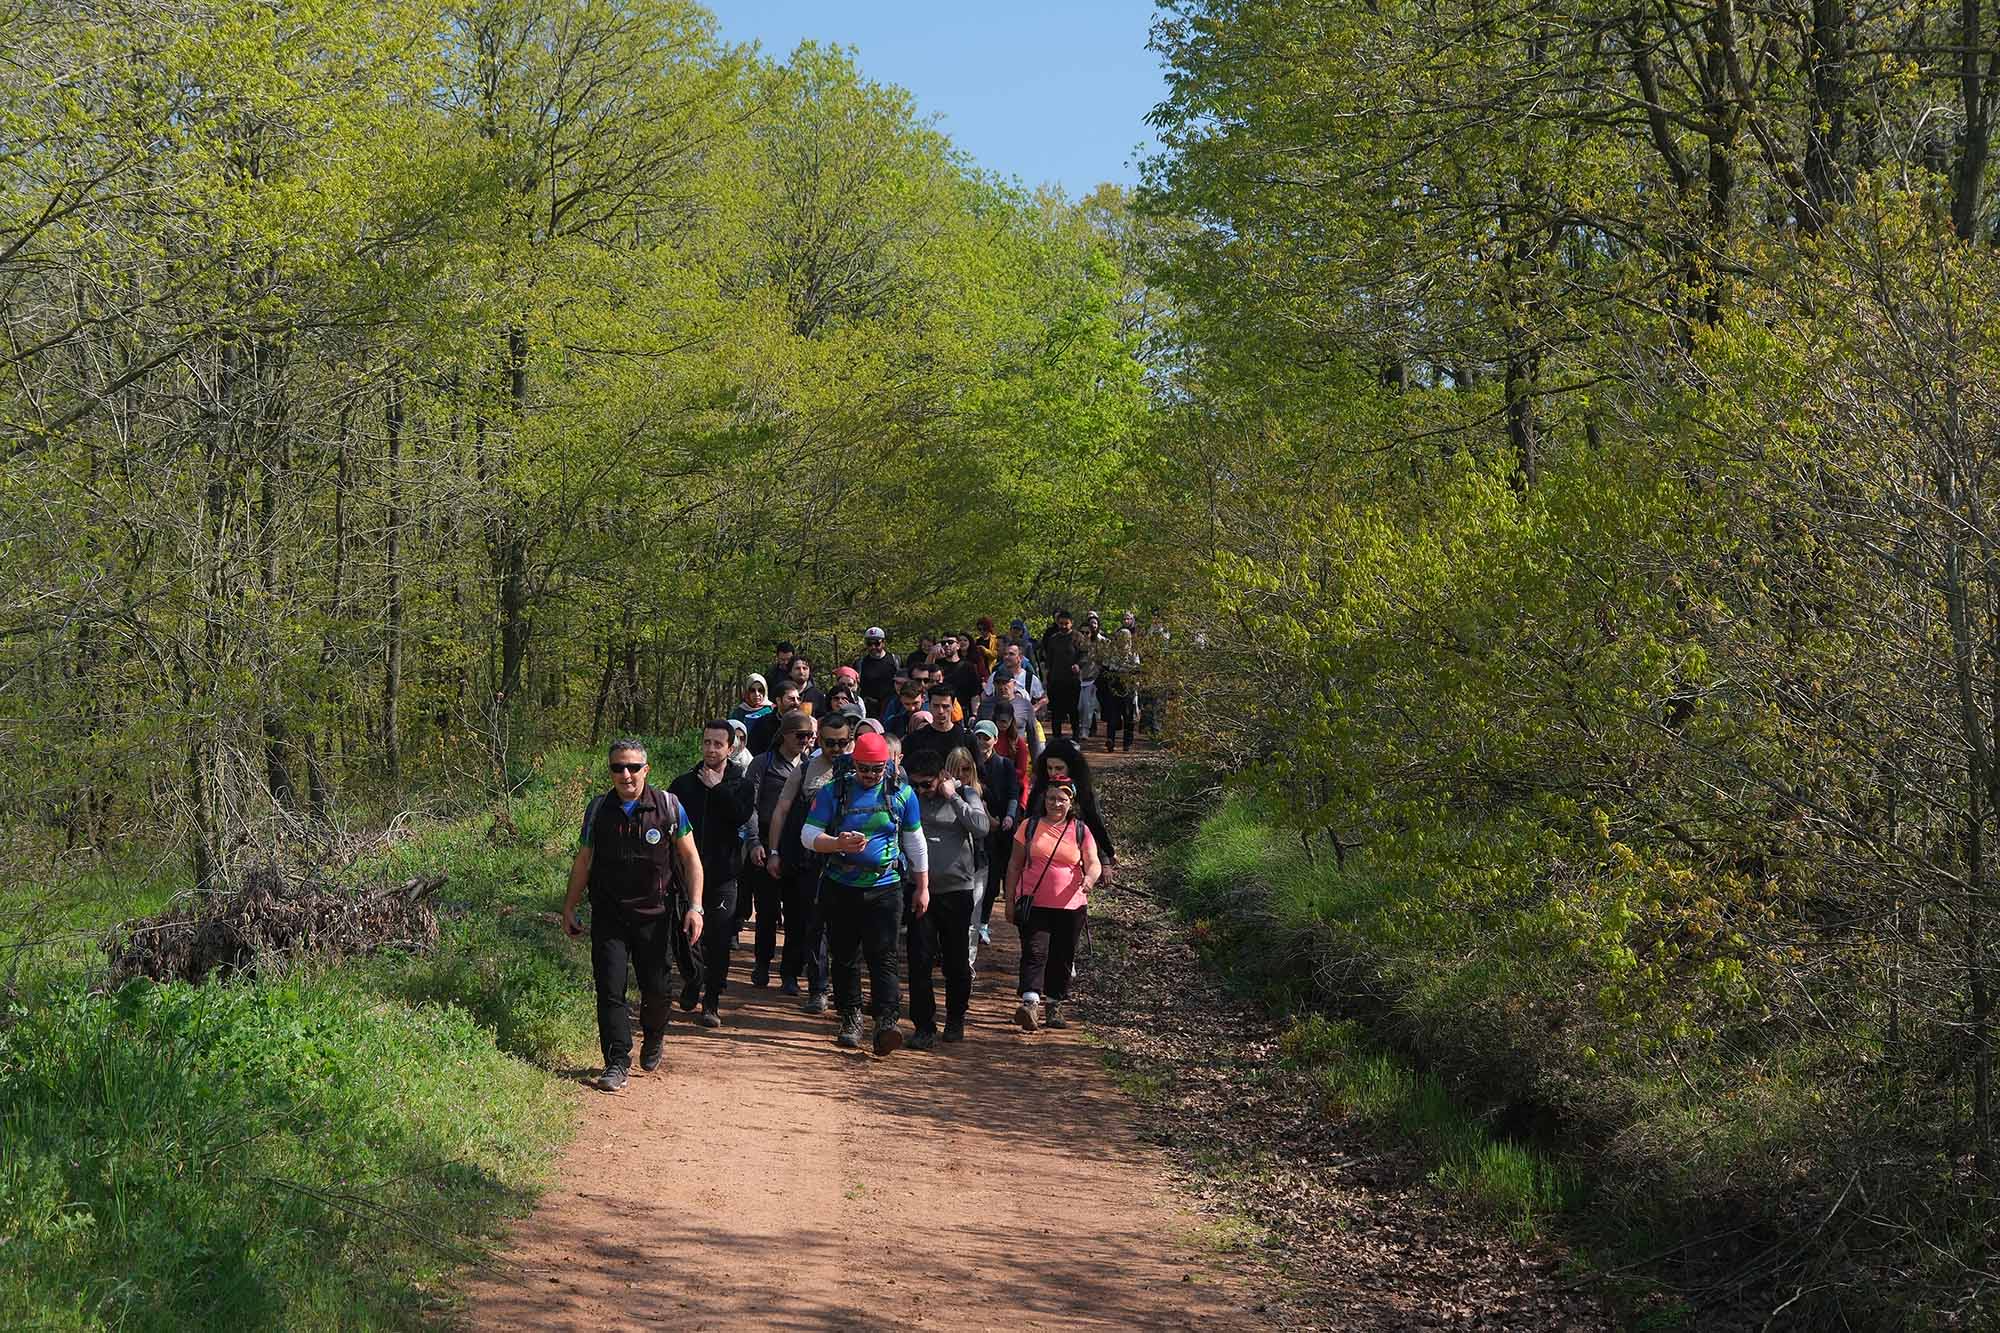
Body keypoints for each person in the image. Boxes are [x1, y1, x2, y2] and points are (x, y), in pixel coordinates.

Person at [560, 739, 705, 1092]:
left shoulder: (669, 807)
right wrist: (569, 906)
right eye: (617, 768)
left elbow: (690, 860)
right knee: (610, 989)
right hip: (610, 915)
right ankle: (616, 1061)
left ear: (646, 770)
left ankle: (654, 1035)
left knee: (657, 991)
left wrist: (695, 907)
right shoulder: (598, 810)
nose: (625, 774)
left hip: (655, 917)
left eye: (633, 767)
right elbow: (583, 862)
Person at [802, 730, 928, 1056]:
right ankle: (851, 1017)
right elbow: (808, 834)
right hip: (841, 886)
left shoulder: (902, 794)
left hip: (885, 887)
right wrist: (837, 843)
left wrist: (923, 886)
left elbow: (915, 841)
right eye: (863, 769)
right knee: (844, 955)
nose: (870, 776)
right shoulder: (835, 791)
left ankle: (886, 1022)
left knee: (883, 954)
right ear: (853, 764)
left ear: (887, 766)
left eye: (876, 769)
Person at [667, 722, 757, 1028]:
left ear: (730, 749)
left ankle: (712, 1001)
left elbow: (741, 815)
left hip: (723, 876)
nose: (711, 749)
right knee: (686, 937)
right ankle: (693, 979)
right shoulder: (682, 785)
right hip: (686, 875)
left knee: (718, 940)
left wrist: (716, 789)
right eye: (707, 742)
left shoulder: (741, 784)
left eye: (718, 744)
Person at [905, 747, 990, 1046]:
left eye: (926, 784)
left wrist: (952, 795)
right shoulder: (910, 797)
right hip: (920, 891)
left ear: (942, 776)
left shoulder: (965, 795)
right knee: (919, 960)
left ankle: (955, 1018)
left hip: (957, 891)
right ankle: (923, 1026)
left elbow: (981, 828)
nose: (920, 790)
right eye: (914, 784)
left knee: (956, 961)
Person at [768, 712, 852, 1010]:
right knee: (804, 921)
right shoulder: (804, 770)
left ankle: (841, 990)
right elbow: (781, 810)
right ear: (820, 741)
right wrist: (774, 852)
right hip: (807, 857)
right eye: (830, 743)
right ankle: (807, 982)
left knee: (842, 928)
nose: (837, 749)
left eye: (843, 743)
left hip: (848, 860)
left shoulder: (862, 770)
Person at [1006, 777, 1100, 1032]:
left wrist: (1090, 880)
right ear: (1043, 800)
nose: (1055, 803)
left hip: (1071, 906)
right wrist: (1009, 899)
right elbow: (1014, 864)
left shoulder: (1081, 830)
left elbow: (1093, 863)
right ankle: (1030, 1003)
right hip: (1034, 902)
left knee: (1062, 956)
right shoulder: (1029, 825)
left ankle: (1054, 1004)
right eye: (1051, 798)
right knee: (1035, 951)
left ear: (1071, 802)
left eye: (1062, 799)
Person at [745, 709, 813, 988]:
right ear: (784, 734)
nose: (805, 741)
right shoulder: (763, 764)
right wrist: (754, 842)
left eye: (810, 736)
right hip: (764, 839)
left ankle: (790, 972)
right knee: (767, 910)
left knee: (797, 912)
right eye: (800, 735)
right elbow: (749, 805)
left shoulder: (811, 766)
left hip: (799, 845)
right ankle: (762, 963)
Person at [1026, 738, 1117, 886]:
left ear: (1071, 766)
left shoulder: (1083, 789)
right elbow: (1028, 821)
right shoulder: (1041, 788)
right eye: (1049, 768)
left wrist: (1106, 858)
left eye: (1059, 768)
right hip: (1039, 857)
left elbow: (1095, 822)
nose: (1053, 773)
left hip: (1072, 860)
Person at [970, 721, 1020, 945]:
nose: (982, 742)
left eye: (986, 738)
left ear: (995, 740)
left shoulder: (1005, 765)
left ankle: (984, 923)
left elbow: (1013, 793)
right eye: (979, 737)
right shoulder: (969, 764)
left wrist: (1010, 817)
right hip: (977, 828)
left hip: (1001, 829)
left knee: (993, 880)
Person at [902, 685, 974, 768]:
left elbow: (978, 772)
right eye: (936, 706)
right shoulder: (915, 739)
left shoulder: (967, 738)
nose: (940, 711)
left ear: (953, 706)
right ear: (929, 705)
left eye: (945, 706)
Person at [1040, 610, 1084, 741]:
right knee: (1056, 710)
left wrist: (1079, 665)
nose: (1063, 626)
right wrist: (1046, 677)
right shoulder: (1053, 639)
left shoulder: (1078, 637)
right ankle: (1056, 736)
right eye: (1061, 623)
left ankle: (1076, 734)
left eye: (1066, 623)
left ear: (1071, 623)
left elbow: (1085, 655)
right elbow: (1049, 660)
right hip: (1056, 679)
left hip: (1072, 680)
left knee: (1073, 709)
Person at [1099, 616, 1141, 752]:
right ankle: (1110, 739)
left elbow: (1137, 670)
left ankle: (1127, 743)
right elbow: (1105, 667)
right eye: (1120, 637)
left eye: (1125, 638)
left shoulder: (1133, 654)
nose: (1122, 640)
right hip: (1114, 684)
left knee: (1128, 715)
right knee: (1113, 714)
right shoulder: (1112, 653)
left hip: (1128, 685)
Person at [854, 627, 900, 718]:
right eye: (869, 644)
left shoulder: (895, 660)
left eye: (877, 643)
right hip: (869, 708)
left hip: (891, 707)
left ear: (883, 643)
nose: (873, 647)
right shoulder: (860, 663)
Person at [747, 681, 802, 756]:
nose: (796, 703)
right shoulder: (763, 724)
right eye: (791, 699)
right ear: (778, 701)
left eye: (798, 699)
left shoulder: (804, 723)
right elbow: (754, 751)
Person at [1076, 612, 1105, 741]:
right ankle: (1079, 728)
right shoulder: (1076, 644)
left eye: (1087, 632)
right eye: (1082, 632)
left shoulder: (1099, 643)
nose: (1085, 635)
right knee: (1079, 706)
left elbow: (1104, 660)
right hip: (1078, 679)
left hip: (1092, 678)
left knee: (1087, 707)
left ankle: (1085, 730)